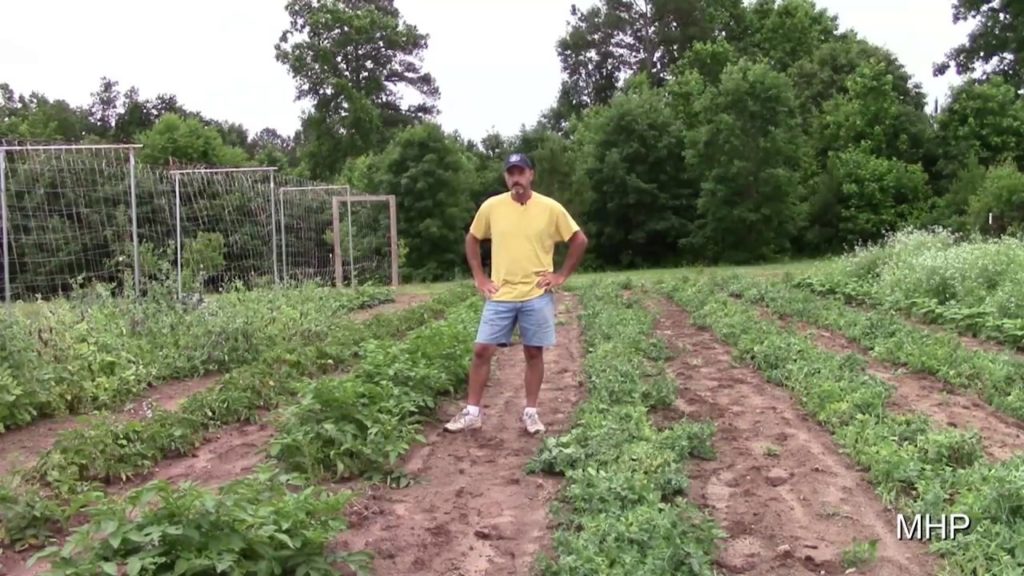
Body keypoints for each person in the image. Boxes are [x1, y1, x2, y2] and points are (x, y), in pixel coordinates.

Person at [443, 152, 588, 434]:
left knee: (534, 352)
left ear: (531, 175)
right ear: (506, 177)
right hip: (501, 293)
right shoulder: (492, 207)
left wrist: (560, 275)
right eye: (511, 173)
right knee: (482, 350)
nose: (516, 178)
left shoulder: (550, 208)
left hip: (536, 293)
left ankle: (530, 413)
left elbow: (579, 240)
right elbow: (472, 239)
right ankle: (472, 412)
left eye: (521, 172)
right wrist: (480, 277)